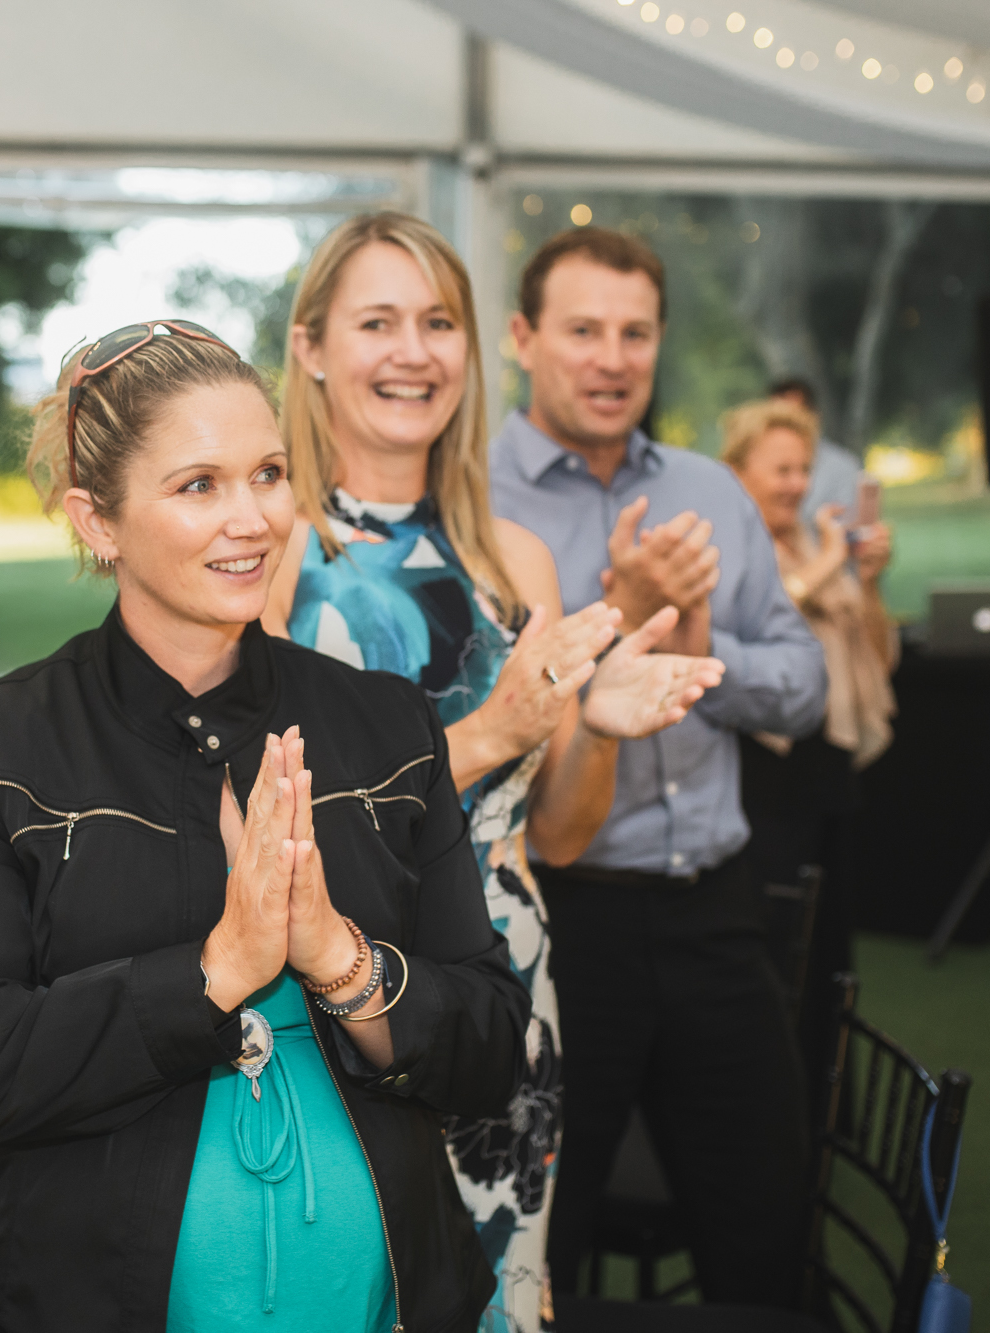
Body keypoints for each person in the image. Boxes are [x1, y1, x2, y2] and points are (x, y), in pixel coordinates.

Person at [0, 324, 530, 1333]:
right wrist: (216, 969)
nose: (252, 519)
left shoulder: (383, 724)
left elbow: (492, 1051)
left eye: (268, 473)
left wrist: (338, 955)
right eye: (197, 485)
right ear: (95, 519)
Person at [262, 212, 725, 1330]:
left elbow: (557, 835)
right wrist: (492, 731)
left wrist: (598, 727)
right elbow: (245, 817)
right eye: (377, 322)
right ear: (313, 345)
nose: (412, 352)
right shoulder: (269, 540)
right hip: (326, 998)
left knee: (488, 1294)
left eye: (436, 323)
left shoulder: (513, 555)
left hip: (507, 984)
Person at [489, 227, 828, 1308]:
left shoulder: (709, 488)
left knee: (765, 1228)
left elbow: (804, 681)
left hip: (717, 914)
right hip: (557, 923)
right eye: (581, 329)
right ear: (521, 338)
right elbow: (478, 721)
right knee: (548, 1240)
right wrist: (618, 618)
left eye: (633, 332)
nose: (610, 356)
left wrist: (686, 656)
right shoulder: (473, 500)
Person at [723, 396, 896, 1116]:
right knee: (773, 953)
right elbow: (748, 645)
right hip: (767, 782)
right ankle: (770, 1108)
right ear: (738, 471)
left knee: (828, 955)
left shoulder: (807, 544)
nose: (796, 483)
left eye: (804, 468)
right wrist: (831, 565)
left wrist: (871, 582)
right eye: (781, 468)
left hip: (826, 777)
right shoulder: (732, 548)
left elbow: (877, 655)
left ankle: (825, 1111)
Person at [766, 376, 860, 527]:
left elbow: (850, 531)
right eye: (776, 420)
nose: (797, 485)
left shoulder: (843, 467)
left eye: (794, 417)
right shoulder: (757, 463)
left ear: (814, 417)